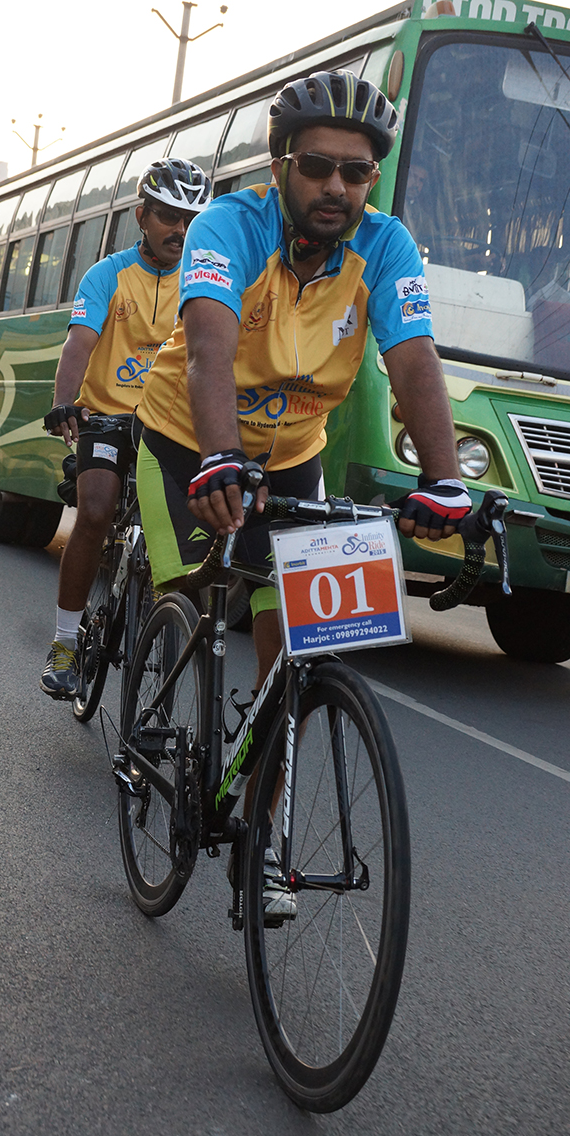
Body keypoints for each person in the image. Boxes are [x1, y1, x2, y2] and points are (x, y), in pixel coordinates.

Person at [134, 70, 471, 918]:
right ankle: (161, 723)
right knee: (193, 591)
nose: (336, 188)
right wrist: (218, 456)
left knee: (293, 656)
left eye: (356, 173)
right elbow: (209, 347)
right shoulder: (231, 224)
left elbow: (413, 359)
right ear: (281, 165)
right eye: (318, 167)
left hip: (290, 457)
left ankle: (262, 848)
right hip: (189, 438)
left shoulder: (385, 245)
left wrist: (445, 479)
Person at [40, 158, 212, 699]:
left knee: (194, 537)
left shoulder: (207, 280)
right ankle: (65, 642)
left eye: (192, 219)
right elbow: (79, 343)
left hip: (174, 424)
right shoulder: (107, 275)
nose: (180, 229)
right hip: (108, 418)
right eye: (168, 216)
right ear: (142, 216)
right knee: (94, 511)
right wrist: (64, 403)